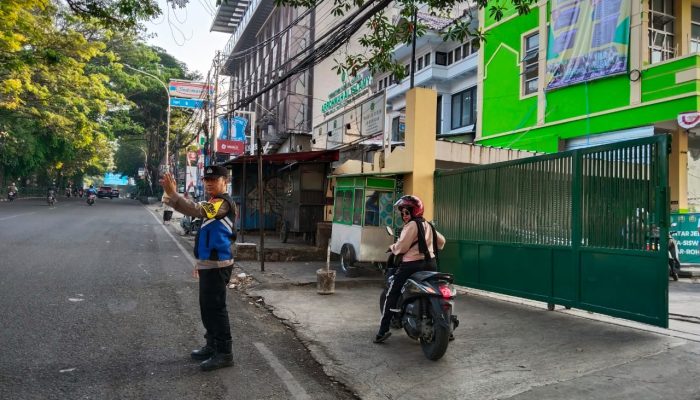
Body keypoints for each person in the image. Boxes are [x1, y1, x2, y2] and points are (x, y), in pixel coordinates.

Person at [160, 165, 238, 371]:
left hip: (218, 264)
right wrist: (199, 261)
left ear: (225, 181)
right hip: (208, 263)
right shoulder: (213, 201)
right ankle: (212, 345)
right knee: (207, 308)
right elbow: (205, 232)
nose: (209, 183)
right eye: (207, 179)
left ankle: (224, 353)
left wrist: (173, 194)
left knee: (216, 308)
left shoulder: (224, 204)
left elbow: (196, 210)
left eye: (215, 179)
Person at [375, 195, 446, 344]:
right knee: (436, 291)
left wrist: (392, 247)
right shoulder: (429, 225)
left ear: (413, 212)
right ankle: (447, 332)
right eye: (402, 212)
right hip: (431, 264)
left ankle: (382, 331)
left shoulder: (411, 226)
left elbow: (402, 247)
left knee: (392, 293)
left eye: (406, 212)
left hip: (412, 266)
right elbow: (442, 242)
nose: (404, 215)